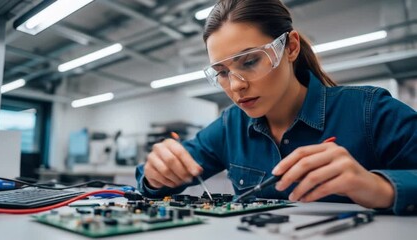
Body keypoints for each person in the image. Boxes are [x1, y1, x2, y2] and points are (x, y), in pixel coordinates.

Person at [136, 0, 417, 215]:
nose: (235, 86)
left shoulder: (371, 111)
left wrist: (379, 188)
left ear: (291, 47)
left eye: (249, 62)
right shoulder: (230, 125)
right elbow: (158, 180)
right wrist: (156, 173)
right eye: (222, 73)